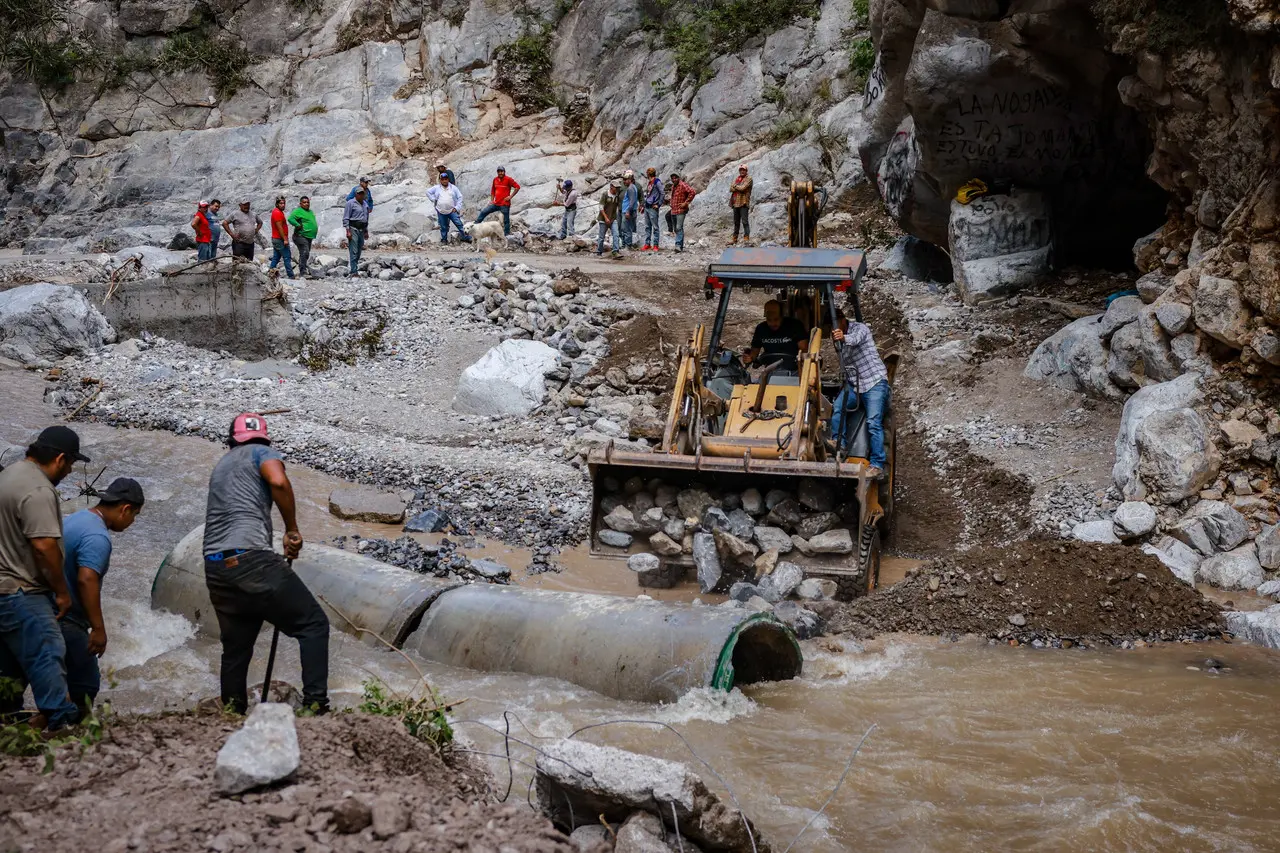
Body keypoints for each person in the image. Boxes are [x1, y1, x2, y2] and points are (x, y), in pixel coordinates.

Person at [203, 413, 330, 715]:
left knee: (236, 649)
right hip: (251, 559)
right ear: (264, 438)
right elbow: (278, 481)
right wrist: (292, 529)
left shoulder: (222, 466)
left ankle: (232, 714)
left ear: (231, 440)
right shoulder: (263, 452)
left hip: (216, 566)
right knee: (314, 625)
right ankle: (316, 708)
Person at [0, 426, 90, 731]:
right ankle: (61, 720)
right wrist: (62, 592)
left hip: (3, 589)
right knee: (47, 652)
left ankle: (7, 719)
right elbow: (44, 546)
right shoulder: (38, 490)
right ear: (60, 459)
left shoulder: (9, 475)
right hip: (23, 591)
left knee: (9, 664)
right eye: (71, 465)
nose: (68, 472)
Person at [59, 478, 144, 717]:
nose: (132, 522)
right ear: (124, 509)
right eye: (134, 515)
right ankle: (72, 739)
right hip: (67, 619)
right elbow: (86, 579)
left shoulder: (77, 518)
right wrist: (98, 629)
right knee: (85, 686)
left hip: (46, 607)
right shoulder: (98, 537)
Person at [831, 310, 890, 478]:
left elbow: (854, 340)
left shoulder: (860, 328)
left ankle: (877, 463)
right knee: (837, 409)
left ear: (842, 320)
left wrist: (842, 337)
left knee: (873, 422)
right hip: (855, 384)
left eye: (834, 325)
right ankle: (839, 445)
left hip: (874, 382)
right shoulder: (836, 339)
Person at [743, 299, 808, 370]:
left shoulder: (795, 326)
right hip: (770, 369)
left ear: (782, 316)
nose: (772, 323)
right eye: (769, 320)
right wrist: (749, 358)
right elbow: (754, 352)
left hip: (794, 368)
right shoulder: (761, 329)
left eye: (776, 319)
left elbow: (804, 349)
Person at [475, 166, 520, 236]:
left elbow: (517, 187)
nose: (500, 173)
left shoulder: (508, 179)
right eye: (499, 171)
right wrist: (492, 200)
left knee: (506, 220)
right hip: (496, 203)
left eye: (502, 171)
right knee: (484, 212)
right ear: (497, 172)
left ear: (504, 172)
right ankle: (475, 226)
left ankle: (507, 234)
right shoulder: (495, 179)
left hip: (505, 204)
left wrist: (510, 196)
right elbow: (493, 191)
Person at [428, 173, 471, 245]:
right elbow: (428, 192)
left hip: (452, 210)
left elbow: (460, 197)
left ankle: (466, 237)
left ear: (448, 179)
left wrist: (457, 207)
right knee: (443, 226)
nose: (444, 181)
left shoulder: (453, 188)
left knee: (459, 224)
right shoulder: (436, 188)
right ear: (440, 180)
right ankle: (444, 240)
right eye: (443, 179)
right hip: (441, 210)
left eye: (446, 179)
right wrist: (433, 199)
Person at [288, 196, 318, 278]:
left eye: (308, 202)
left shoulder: (310, 211)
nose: (306, 204)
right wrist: (297, 225)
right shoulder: (298, 211)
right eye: (304, 202)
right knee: (305, 252)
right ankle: (303, 272)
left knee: (305, 254)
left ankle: (303, 268)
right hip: (300, 236)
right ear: (300, 204)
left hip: (308, 236)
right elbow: (290, 219)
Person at [343, 188, 370, 276]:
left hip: (362, 229)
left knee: (359, 250)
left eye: (362, 193)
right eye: (359, 194)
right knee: (353, 250)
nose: (361, 195)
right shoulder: (350, 203)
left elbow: (366, 218)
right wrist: (348, 231)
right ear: (356, 194)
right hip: (353, 228)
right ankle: (353, 271)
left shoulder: (365, 204)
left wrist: (366, 231)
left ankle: (355, 267)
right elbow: (346, 217)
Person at [268, 196, 295, 279]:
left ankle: (270, 273)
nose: (283, 205)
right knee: (287, 257)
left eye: (284, 203)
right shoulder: (277, 213)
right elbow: (280, 227)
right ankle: (291, 276)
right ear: (277, 204)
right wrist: (285, 239)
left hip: (276, 238)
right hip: (280, 239)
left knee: (276, 257)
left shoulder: (277, 211)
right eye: (281, 203)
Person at [669, 173, 697, 253]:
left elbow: (692, 192)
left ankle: (678, 246)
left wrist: (686, 202)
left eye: (675, 178)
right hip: (673, 210)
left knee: (679, 227)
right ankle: (680, 246)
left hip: (681, 210)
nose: (674, 179)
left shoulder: (682, 185)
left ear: (678, 178)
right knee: (676, 229)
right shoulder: (673, 186)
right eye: (672, 178)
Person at [597, 180, 621, 258]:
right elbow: (601, 207)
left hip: (613, 219)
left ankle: (615, 251)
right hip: (603, 219)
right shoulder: (605, 194)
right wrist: (606, 218)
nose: (617, 189)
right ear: (611, 187)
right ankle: (599, 251)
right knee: (601, 237)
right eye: (616, 187)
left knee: (616, 234)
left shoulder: (617, 196)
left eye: (618, 188)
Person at [730, 164, 753, 246]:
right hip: (735, 203)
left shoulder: (749, 178)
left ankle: (746, 238)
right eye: (741, 170)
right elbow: (730, 188)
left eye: (743, 170)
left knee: (744, 221)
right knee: (736, 222)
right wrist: (737, 187)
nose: (742, 171)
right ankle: (734, 239)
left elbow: (743, 188)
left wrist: (735, 186)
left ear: (746, 171)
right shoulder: (737, 179)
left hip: (743, 203)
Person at [641, 168, 663, 250]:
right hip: (647, 206)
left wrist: (659, 204)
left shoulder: (657, 182)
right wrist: (643, 206)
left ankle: (656, 244)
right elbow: (648, 194)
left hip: (653, 207)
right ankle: (647, 243)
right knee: (647, 226)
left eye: (647, 172)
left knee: (655, 227)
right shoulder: (650, 182)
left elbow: (662, 193)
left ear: (649, 173)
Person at [619, 170, 640, 250]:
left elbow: (632, 201)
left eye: (625, 180)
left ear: (630, 180)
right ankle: (628, 245)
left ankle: (628, 246)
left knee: (626, 229)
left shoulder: (630, 188)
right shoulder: (633, 187)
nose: (624, 181)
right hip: (630, 211)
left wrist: (628, 211)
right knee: (627, 229)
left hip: (627, 212)